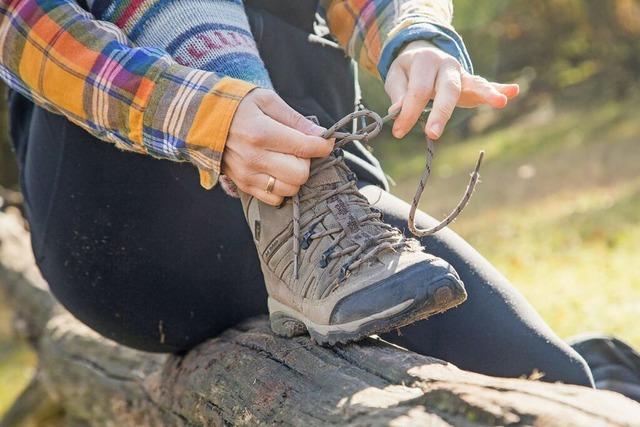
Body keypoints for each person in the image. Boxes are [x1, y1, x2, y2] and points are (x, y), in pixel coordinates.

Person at [0, 0, 594, 386]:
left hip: (335, 226)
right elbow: (19, 23)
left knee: (550, 378)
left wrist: (413, 38)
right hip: (130, 225)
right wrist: (210, 119)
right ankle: (284, 213)